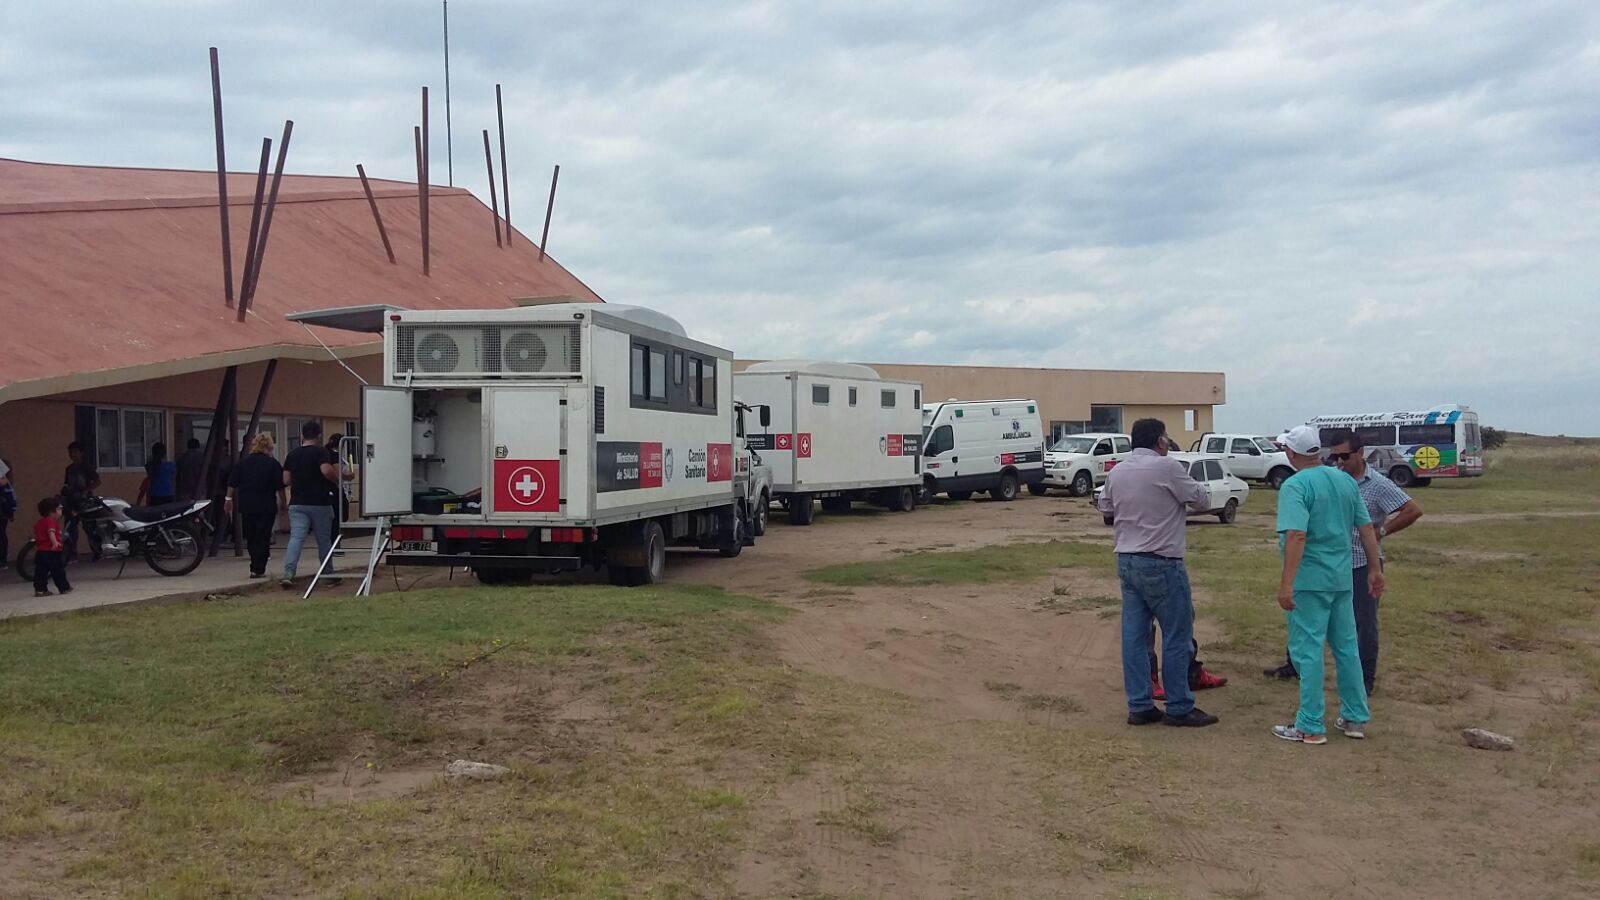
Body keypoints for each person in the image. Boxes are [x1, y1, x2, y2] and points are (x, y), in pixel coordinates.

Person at [1263, 430, 1422, 693]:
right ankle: (1297, 666)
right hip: (1332, 567)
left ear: (1360, 453)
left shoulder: (1377, 484)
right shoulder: (1333, 479)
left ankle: (1363, 679)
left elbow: (1412, 510)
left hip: (1358, 565)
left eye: (1344, 456)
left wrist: (1382, 532)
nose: (1339, 461)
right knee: (1315, 626)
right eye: (1333, 456)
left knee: (1362, 625)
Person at [1096, 417, 1219, 727]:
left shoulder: (1119, 471)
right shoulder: (1169, 467)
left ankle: (1140, 704)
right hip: (1162, 561)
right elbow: (1202, 500)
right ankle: (1179, 706)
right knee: (1177, 636)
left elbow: (1105, 508)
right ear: (1161, 441)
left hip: (1128, 560)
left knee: (1134, 637)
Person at [1271, 425, 1385, 745]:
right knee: (1346, 647)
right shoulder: (1345, 481)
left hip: (1309, 580)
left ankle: (1309, 724)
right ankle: (1354, 716)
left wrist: (1286, 584)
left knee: (1307, 651)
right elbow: (1366, 527)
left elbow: (1296, 535)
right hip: (1341, 577)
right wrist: (1374, 569)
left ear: (1291, 453)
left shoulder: (1295, 485)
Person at [281, 420, 340, 587]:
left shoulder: (292, 454)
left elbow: (285, 479)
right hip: (320, 501)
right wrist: (337, 481)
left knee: (296, 538)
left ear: (302, 435)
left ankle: (288, 573)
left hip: (298, 502)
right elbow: (326, 470)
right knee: (323, 539)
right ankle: (328, 574)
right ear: (319, 435)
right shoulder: (321, 452)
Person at [227, 432, 287, 579]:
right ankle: (258, 566)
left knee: (251, 535)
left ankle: (255, 563)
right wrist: (284, 503)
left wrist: (228, 498)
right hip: (266, 504)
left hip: (247, 503)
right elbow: (280, 486)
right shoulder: (273, 464)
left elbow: (232, 482)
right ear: (269, 446)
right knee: (264, 535)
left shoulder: (243, 462)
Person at [61, 441, 102, 562]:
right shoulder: (69, 469)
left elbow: (97, 481)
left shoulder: (86, 467)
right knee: (70, 527)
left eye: (75, 452)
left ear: (81, 453)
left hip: (86, 501)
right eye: (70, 452)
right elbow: (67, 484)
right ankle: (71, 553)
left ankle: (97, 551)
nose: (72, 454)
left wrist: (86, 490)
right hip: (72, 501)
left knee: (90, 528)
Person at [32, 496, 72, 597]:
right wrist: (54, 542)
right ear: (51, 511)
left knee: (41, 571)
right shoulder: (51, 521)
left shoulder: (40, 522)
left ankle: (40, 589)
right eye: (59, 509)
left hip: (41, 551)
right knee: (58, 570)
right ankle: (64, 587)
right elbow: (51, 532)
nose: (61, 511)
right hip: (52, 551)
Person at [137, 442, 177, 507]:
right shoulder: (171, 466)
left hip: (154, 495)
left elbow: (150, 477)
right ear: (164, 454)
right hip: (168, 495)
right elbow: (173, 481)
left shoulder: (149, 466)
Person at [175, 438, 207, 503]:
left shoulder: (181, 458)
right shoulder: (203, 457)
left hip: (185, 488)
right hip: (200, 488)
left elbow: (178, 475)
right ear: (198, 446)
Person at [0, 456, 16, 572]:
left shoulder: (2, 463)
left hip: (2, 505)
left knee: (0, 532)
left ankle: (2, 560)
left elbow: (5, 481)